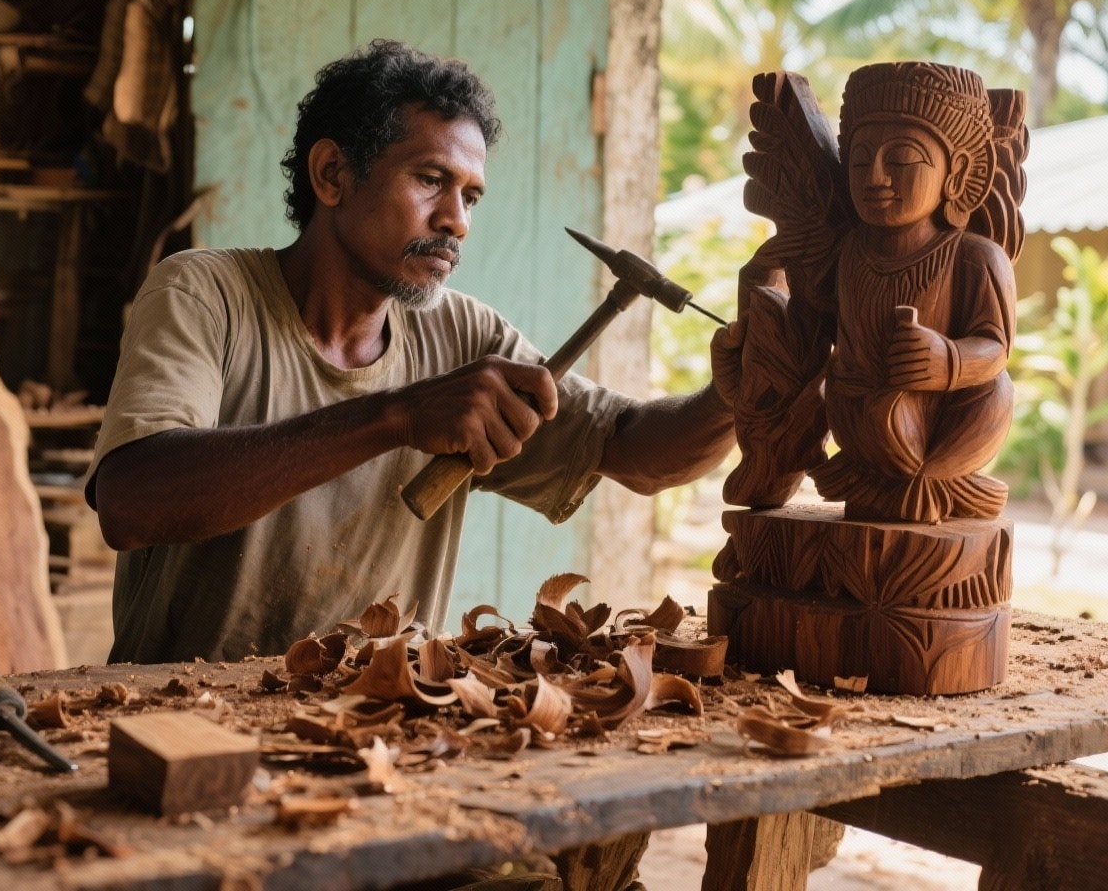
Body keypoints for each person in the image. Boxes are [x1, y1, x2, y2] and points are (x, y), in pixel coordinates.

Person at [87, 40, 735, 664]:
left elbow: (644, 455)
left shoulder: (465, 337)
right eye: (431, 180)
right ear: (333, 174)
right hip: (185, 719)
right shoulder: (206, 294)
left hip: (376, 726)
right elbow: (131, 503)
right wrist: (394, 417)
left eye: (471, 196)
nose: (457, 221)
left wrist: (739, 388)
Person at [811, 62, 1019, 523]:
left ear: (957, 173)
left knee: (996, 391)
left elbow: (996, 346)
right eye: (861, 161)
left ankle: (938, 477)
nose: (876, 176)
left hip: (945, 416)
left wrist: (947, 359)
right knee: (851, 393)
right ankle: (887, 471)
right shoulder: (850, 253)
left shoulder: (976, 256)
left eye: (901, 159)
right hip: (868, 414)